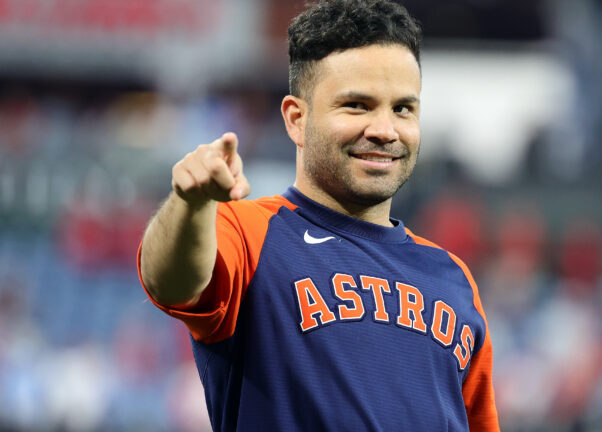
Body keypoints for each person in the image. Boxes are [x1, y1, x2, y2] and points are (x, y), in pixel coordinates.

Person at [137, 0, 499, 430]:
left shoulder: (452, 278)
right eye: (357, 106)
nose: (385, 129)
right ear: (296, 119)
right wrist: (191, 203)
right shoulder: (250, 233)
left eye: (403, 108)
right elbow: (171, 281)